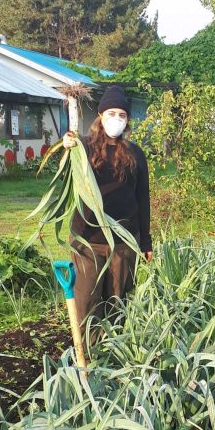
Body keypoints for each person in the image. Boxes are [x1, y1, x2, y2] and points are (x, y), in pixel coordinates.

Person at [62, 84, 152, 329]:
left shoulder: (135, 154)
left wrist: (146, 242)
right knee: (87, 304)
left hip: (123, 242)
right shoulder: (83, 147)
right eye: (112, 113)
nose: (117, 119)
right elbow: (66, 177)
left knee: (118, 304)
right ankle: (90, 358)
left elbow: (143, 198)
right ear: (100, 117)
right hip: (88, 240)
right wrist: (67, 146)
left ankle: (115, 356)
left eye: (122, 115)